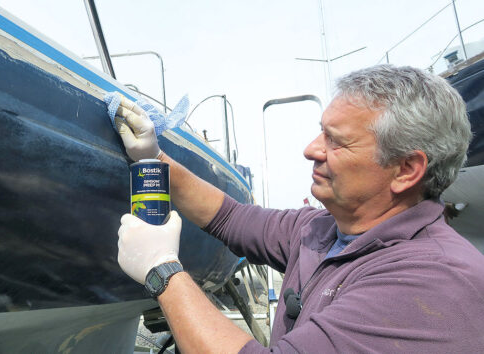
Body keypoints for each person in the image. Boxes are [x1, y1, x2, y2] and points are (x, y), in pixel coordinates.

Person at [113, 65, 484, 353]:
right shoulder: (323, 231)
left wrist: (162, 271)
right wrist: (153, 159)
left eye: (336, 142)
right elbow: (230, 217)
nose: (311, 149)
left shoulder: (432, 282)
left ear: (406, 170)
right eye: (322, 131)